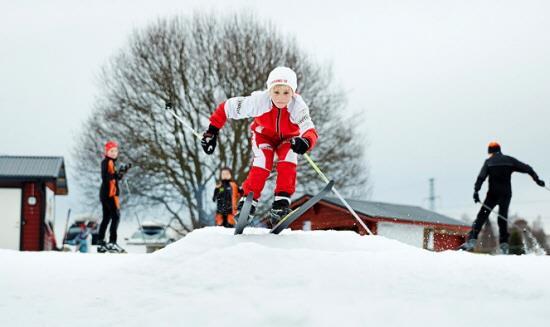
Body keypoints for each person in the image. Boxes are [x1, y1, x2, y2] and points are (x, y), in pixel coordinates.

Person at [201, 66, 318, 226]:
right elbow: (227, 108)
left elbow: (309, 129)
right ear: (269, 91)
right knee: (263, 163)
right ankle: (248, 200)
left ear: (293, 92)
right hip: (263, 136)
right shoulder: (258, 101)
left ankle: (281, 203)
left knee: (288, 159)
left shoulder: (298, 106)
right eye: (276, 92)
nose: (281, 98)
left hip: (288, 139)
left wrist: (306, 141)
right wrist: (212, 131)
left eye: (286, 93)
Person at [460, 142, 545, 254]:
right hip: (506, 194)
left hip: (492, 195)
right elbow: (527, 168)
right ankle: (504, 244)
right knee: (502, 218)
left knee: (482, 216)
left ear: (490, 152)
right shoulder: (509, 160)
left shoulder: (489, 162)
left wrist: (476, 191)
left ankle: (472, 239)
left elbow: (481, 177)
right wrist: (537, 180)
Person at [98, 140, 131, 253]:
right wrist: (117, 174)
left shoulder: (112, 163)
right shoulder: (106, 162)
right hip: (109, 194)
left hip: (108, 194)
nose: (113, 153)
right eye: (111, 151)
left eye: (115, 151)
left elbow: (115, 178)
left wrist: (123, 171)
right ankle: (112, 242)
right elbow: (106, 177)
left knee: (107, 218)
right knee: (115, 216)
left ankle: (101, 242)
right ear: (106, 152)